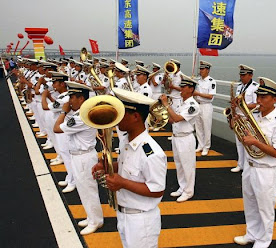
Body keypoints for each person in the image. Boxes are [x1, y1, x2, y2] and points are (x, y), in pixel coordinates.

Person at [92, 88, 167, 248]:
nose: (116, 118)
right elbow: (128, 166)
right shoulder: (127, 141)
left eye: (121, 113)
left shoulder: (151, 152)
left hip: (141, 222)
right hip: (124, 215)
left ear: (135, 116)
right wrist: (107, 166)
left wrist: (122, 183)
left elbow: (157, 189)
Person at [234, 78, 276, 248]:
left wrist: (256, 142)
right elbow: (244, 137)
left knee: (265, 208)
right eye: (258, 96)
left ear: (274, 99)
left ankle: (264, 239)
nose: (258, 101)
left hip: (266, 170)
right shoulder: (254, 116)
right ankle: (251, 234)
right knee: (250, 203)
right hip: (250, 167)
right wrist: (236, 121)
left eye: (263, 97)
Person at [53, 81, 103, 235]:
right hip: (78, 157)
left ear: (81, 99)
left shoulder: (82, 116)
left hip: (84, 158)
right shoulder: (78, 114)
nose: (69, 101)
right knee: (83, 189)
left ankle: (96, 221)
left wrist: (63, 112)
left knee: (88, 190)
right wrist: (67, 112)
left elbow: (56, 128)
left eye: (73, 97)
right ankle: (91, 216)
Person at [160, 74, 199, 202]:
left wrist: (166, 105)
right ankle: (182, 187)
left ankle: (189, 191)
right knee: (179, 165)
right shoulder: (182, 103)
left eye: (184, 87)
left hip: (186, 139)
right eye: (181, 87)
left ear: (191, 89)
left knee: (187, 166)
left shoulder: (192, 105)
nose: (181, 89)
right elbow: (173, 120)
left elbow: (177, 118)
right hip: (176, 137)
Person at [231, 64, 259, 173]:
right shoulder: (239, 86)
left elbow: (257, 104)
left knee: (248, 142)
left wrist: (242, 105)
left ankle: (248, 165)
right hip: (238, 116)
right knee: (239, 142)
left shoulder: (255, 87)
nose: (242, 77)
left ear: (250, 75)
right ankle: (240, 164)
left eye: (244, 75)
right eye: (241, 75)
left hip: (249, 118)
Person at [194, 60, 216, 156]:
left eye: (203, 69)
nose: (201, 71)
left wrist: (198, 93)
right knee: (198, 127)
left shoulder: (211, 81)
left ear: (208, 70)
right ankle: (200, 145)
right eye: (201, 69)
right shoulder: (198, 81)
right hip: (198, 105)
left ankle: (206, 147)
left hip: (206, 106)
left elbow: (210, 96)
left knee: (206, 127)